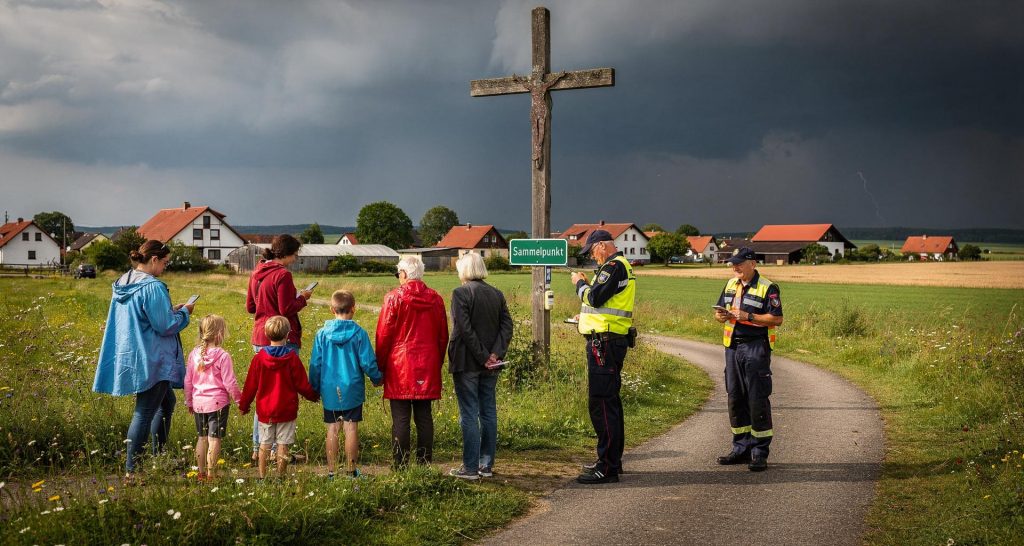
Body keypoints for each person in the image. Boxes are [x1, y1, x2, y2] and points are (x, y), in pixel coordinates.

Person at [94, 240, 194, 479]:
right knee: (144, 411)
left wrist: (171, 309)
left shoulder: (124, 282)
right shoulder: (153, 286)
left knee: (166, 403)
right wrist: (184, 313)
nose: (165, 268)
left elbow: (146, 316)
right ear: (153, 260)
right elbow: (165, 325)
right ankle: (133, 471)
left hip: (134, 353)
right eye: (165, 263)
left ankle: (158, 458)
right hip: (154, 358)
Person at [570, 229, 636, 485]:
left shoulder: (613, 267)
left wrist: (579, 283)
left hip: (604, 344)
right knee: (610, 403)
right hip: (608, 340)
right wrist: (583, 317)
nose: (592, 257)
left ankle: (606, 466)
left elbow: (595, 297)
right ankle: (612, 461)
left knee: (602, 404)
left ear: (602, 246)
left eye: (592, 252)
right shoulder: (617, 267)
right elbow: (604, 306)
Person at [713, 247, 784, 472]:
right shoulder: (730, 284)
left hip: (756, 346)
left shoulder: (768, 287)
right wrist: (721, 315)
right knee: (735, 397)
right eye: (733, 264)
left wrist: (748, 316)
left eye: (739, 263)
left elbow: (777, 318)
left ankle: (759, 452)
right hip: (732, 347)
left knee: (756, 398)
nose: (735, 267)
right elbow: (718, 314)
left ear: (752, 264)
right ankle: (740, 448)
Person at [375, 256, 449, 468]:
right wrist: (438, 362)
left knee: (401, 418)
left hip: (400, 365)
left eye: (399, 273)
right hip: (428, 362)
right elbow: (442, 335)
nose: (399, 277)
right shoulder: (436, 298)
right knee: (424, 417)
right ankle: (424, 463)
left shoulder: (393, 298)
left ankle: (400, 465)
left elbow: (384, 335)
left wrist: (380, 367)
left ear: (404, 274)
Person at [245, 234, 314, 462]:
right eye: (295, 254)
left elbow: (250, 306)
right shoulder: (283, 275)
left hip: (260, 336)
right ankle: (277, 451)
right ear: (287, 253)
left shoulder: (258, 271)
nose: (295, 259)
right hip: (282, 337)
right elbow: (286, 308)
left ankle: (259, 447)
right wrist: (303, 298)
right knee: (280, 395)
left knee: (263, 395)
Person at [447, 253, 514, 480]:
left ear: (464, 270)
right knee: (488, 412)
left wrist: (484, 356)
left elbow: (464, 329)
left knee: (469, 414)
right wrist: (495, 354)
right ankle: (486, 465)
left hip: (467, 361)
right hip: (492, 364)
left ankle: (469, 468)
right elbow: (507, 327)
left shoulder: (460, 293)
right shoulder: (496, 294)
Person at [309, 290, 383, 480]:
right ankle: (351, 471)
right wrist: (377, 379)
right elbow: (367, 362)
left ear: (331, 309)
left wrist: (314, 388)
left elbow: (315, 364)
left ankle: (332, 472)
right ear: (354, 309)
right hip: (352, 388)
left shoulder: (322, 334)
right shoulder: (359, 333)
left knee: (332, 428)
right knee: (351, 428)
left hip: (329, 388)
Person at [239, 316, 319, 479]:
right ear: (287, 334)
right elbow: (301, 383)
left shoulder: (259, 358)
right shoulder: (292, 358)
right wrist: (312, 396)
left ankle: (262, 476)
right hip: (286, 409)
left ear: (266, 335)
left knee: (264, 443)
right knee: (283, 444)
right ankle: (280, 477)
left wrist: (244, 405)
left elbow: (250, 386)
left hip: (265, 409)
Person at [184, 314, 241, 481]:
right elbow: (230, 383)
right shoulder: (223, 356)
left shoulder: (194, 355)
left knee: (202, 438)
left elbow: (188, 381)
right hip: (218, 404)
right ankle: (211, 474)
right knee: (214, 439)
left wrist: (189, 401)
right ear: (219, 334)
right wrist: (239, 400)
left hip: (199, 403)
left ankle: (201, 473)